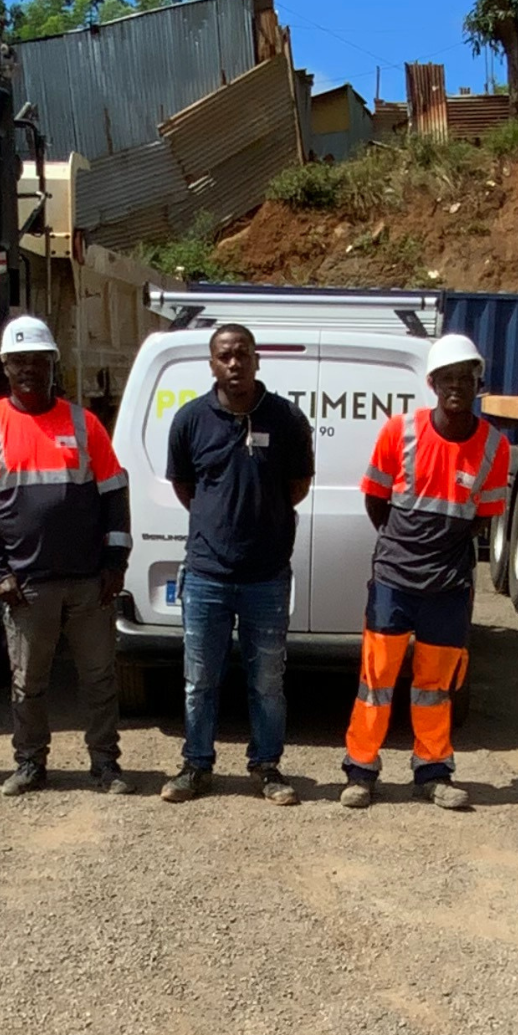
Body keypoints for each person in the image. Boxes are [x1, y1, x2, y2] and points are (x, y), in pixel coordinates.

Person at [0, 316, 133, 796]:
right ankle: (30, 762)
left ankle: (105, 764)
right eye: (19, 362)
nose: (29, 370)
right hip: (25, 585)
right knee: (28, 681)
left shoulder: (84, 423)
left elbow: (115, 495)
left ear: (53, 364)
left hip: (88, 580)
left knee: (99, 678)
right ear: (5, 368)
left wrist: (115, 563)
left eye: (38, 361)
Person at [341, 333, 510, 812]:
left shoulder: (496, 446)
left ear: (479, 383)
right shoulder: (401, 431)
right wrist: (405, 548)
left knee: (436, 688)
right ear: (432, 383)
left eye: (467, 378)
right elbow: (377, 500)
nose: (458, 386)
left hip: (449, 587)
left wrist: (441, 555)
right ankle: (360, 771)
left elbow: (484, 515)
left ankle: (433, 773)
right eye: (448, 378)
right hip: (395, 580)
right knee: (376, 682)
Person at [160, 323, 315, 804]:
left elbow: (297, 487)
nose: (234, 363)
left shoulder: (287, 419)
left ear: (256, 360)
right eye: (224, 356)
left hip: (266, 576)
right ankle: (195, 766)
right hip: (207, 574)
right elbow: (186, 488)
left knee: (267, 681)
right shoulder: (190, 420)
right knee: (199, 679)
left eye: (242, 354)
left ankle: (267, 767)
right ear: (212, 364)